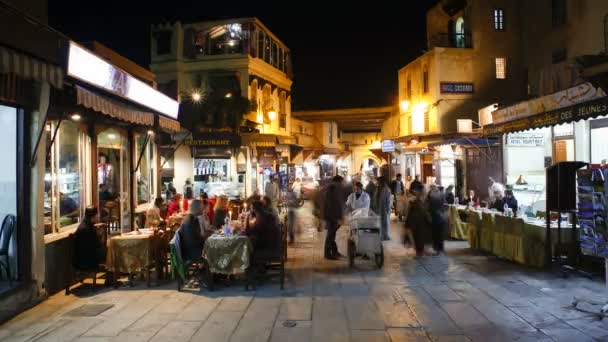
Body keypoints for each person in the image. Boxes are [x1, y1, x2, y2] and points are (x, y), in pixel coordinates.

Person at [322, 175, 345, 260]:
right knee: (331, 235)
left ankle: (334, 251)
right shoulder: (335, 188)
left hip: (330, 215)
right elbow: (336, 203)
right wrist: (340, 216)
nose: (343, 184)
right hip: (332, 216)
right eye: (342, 182)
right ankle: (328, 254)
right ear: (338, 181)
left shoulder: (331, 187)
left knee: (332, 234)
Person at [406, 184, 427, 257]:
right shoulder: (416, 203)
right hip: (417, 225)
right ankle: (419, 253)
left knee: (419, 241)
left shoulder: (419, 202)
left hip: (419, 225)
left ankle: (419, 253)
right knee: (418, 240)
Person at [426, 184, 446, 255]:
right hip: (440, 216)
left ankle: (437, 249)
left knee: (436, 234)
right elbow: (444, 205)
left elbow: (427, 206)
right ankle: (440, 249)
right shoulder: (441, 194)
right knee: (440, 233)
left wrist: (428, 215)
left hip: (435, 216)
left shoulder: (430, 195)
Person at [377, 177, 392, 241]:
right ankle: (382, 235)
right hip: (381, 208)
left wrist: (388, 210)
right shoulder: (380, 188)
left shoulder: (387, 190)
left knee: (386, 222)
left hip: (385, 208)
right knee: (381, 222)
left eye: (379, 182)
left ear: (383, 182)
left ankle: (386, 236)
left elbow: (388, 201)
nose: (378, 183)